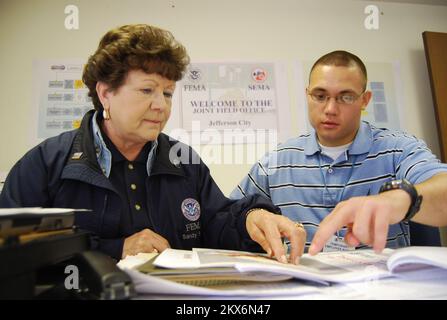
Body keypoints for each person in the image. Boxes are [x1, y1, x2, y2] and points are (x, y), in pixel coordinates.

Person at [0, 24, 306, 263]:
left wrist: (251, 218)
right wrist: (115, 249)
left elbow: (218, 221)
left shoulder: (184, 161)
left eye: (168, 93)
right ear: (105, 93)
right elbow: (12, 251)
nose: (161, 105)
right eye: (147, 90)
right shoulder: (46, 163)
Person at [231, 50, 447, 256]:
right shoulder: (276, 162)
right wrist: (252, 216)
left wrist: (401, 199)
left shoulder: (399, 149)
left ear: (365, 100)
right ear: (307, 95)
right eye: (320, 95)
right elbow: (227, 216)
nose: (330, 109)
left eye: (346, 97)